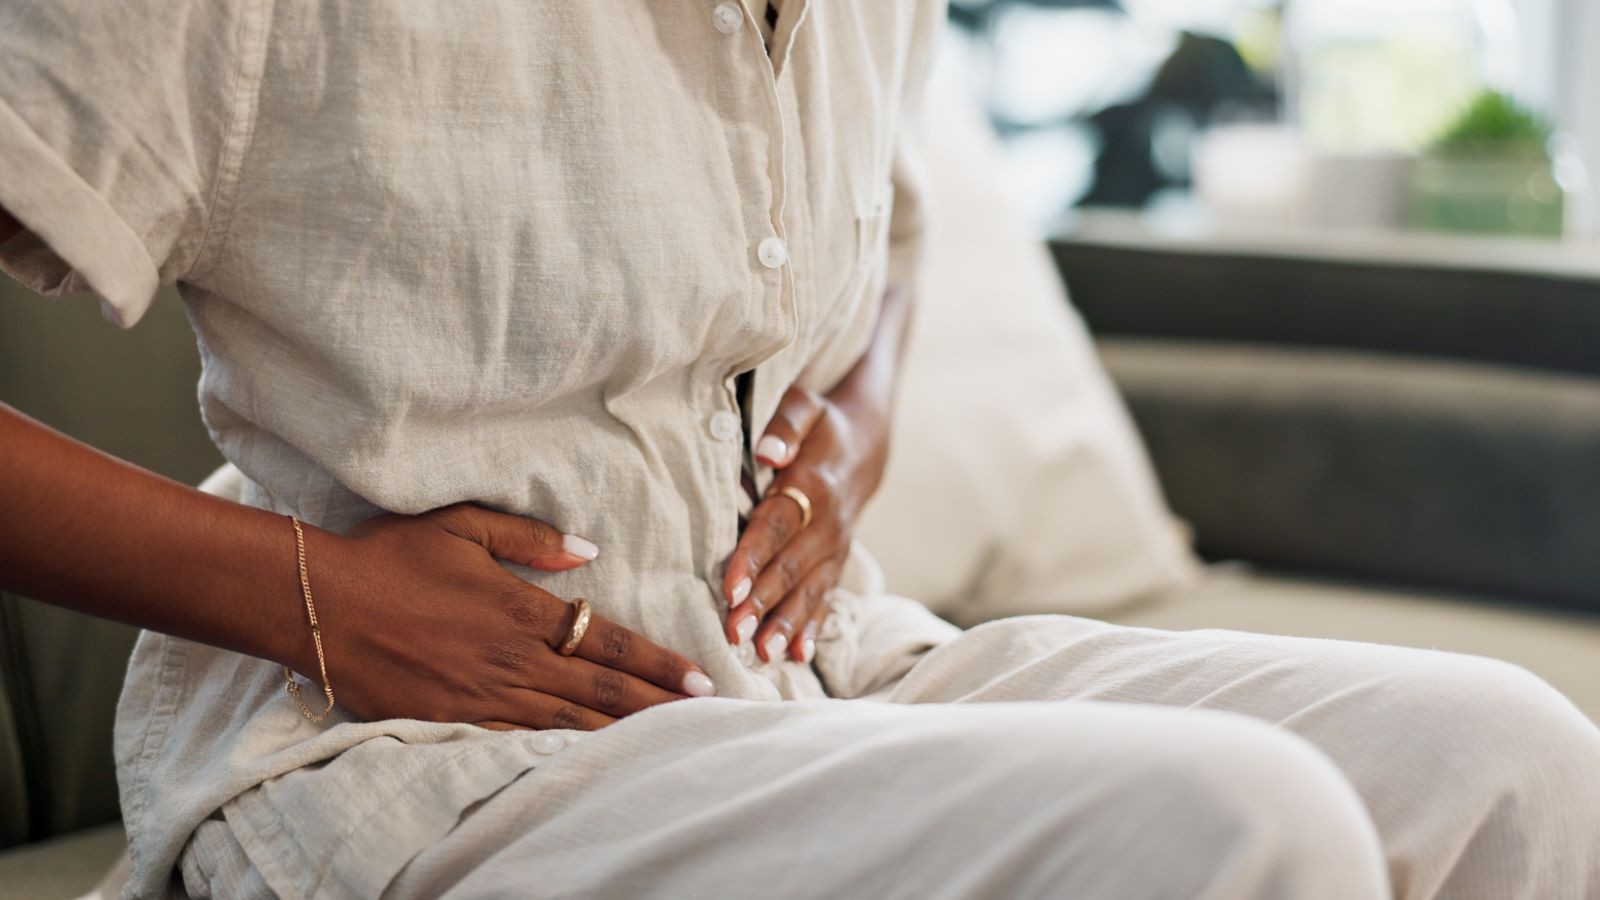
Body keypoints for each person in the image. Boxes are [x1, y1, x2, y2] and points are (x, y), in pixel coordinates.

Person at [1, 2, 1597, 897]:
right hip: (432, 767)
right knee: (1245, 828)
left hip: (828, 668)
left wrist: (856, 436)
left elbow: (887, 245)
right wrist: (320, 597)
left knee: (1518, 759)